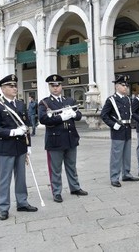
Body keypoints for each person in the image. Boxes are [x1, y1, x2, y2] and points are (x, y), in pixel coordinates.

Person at [0, 74, 37, 220]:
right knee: (5, 179)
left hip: (20, 147)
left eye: (15, 85)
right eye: (11, 86)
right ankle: (3, 207)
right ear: (3, 89)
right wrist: (13, 132)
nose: (15, 88)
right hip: (5, 148)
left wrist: (28, 146)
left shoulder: (20, 104)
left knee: (21, 177)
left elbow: (26, 126)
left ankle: (22, 202)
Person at [38, 74, 88, 203]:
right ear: (49, 87)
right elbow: (43, 119)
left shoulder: (69, 101)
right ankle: (56, 192)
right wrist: (61, 117)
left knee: (71, 165)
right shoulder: (45, 102)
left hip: (71, 138)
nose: (55, 88)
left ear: (62, 86)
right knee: (56, 168)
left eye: (58, 85)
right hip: (55, 140)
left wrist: (73, 114)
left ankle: (75, 187)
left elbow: (79, 115)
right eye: (52, 86)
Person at [100, 75, 139, 187]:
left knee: (127, 154)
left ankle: (126, 174)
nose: (126, 87)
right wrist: (113, 125)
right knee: (116, 155)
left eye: (126, 85)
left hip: (127, 129)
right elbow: (104, 115)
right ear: (117, 86)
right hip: (118, 130)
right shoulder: (111, 100)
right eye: (123, 85)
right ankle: (114, 177)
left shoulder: (127, 99)